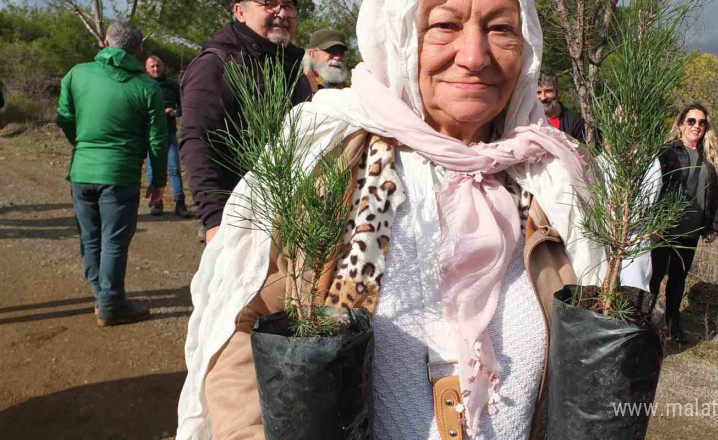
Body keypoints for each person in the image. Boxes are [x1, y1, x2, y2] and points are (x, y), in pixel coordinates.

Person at [175, 0, 653, 439]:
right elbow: (245, 336)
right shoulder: (326, 163)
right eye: (445, 24)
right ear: (397, 35)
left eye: (501, 28)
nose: (474, 55)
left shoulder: (558, 182)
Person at [56, 21, 167, 326]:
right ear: (138, 50)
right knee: (114, 241)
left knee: (91, 238)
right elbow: (158, 139)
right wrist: (158, 181)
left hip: (82, 170)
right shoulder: (147, 86)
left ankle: (101, 295)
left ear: (105, 43)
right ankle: (111, 304)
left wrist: (83, 144)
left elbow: (64, 117)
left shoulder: (77, 74)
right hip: (120, 174)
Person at [180, 0, 312, 244]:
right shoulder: (216, 65)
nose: (282, 13)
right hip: (240, 220)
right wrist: (215, 220)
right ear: (240, 11)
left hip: (292, 218)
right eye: (270, 3)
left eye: (289, 5)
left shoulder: (291, 69)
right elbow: (198, 141)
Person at [649, 103, 718, 341]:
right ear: (681, 125)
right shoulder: (667, 153)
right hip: (664, 229)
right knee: (655, 277)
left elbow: (713, 197)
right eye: (691, 121)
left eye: (701, 122)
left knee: (678, 281)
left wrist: (712, 226)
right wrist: (654, 223)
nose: (697, 126)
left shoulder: (708, 161)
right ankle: (645, 321)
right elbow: (654, 189)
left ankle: (673, 326)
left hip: (690, 231)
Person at [145, 55, 192, 218]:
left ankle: (180, 203)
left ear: (164, 66)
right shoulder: (143, 85)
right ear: (146, 69)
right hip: (151, 135)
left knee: (173, 169)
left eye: (158, 66)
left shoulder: (173, 85)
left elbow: (183, 107)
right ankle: (157, 202)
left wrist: (175, 112)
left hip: (169, 133)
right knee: (153, 169)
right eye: (152, 67)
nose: (155, 69)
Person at [536, 69, 585, 142]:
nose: (543, 97)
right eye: (538, 92)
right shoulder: (526, 119)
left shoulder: (575, 122)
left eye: (548, 91)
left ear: (558, 92)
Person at [303, 28, 349, 92]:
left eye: (341, 53)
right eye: (332, 51)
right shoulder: (301, 86)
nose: (338, 57)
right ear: (312, 54)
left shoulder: (348, 91)